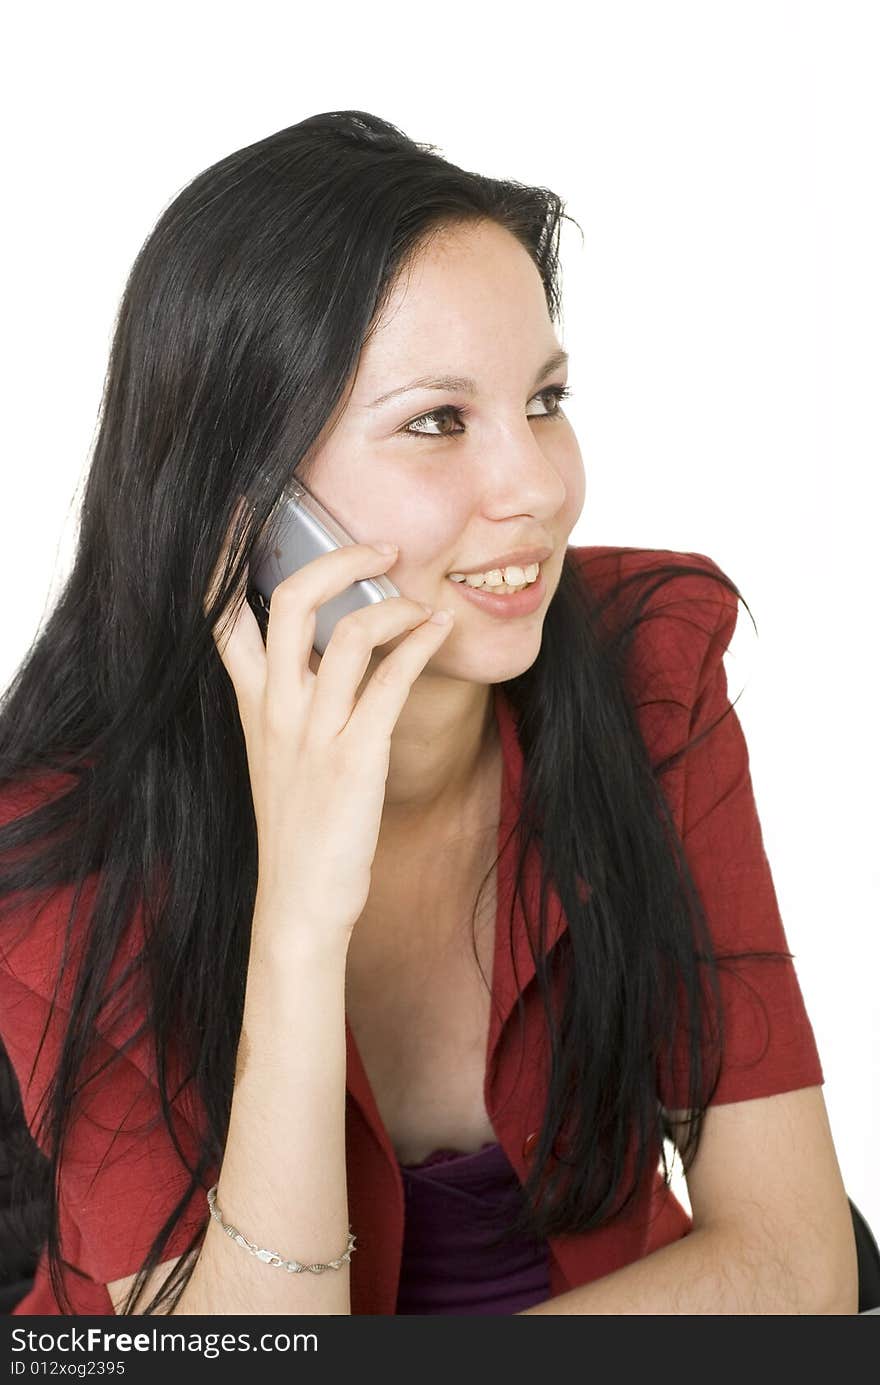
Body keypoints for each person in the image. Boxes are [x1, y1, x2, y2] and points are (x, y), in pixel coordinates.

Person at [0, 109, 857, 1317]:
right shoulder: (60, 842)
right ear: (251, 503)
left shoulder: (648, 664)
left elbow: (796, 1263)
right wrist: (301, 914)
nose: (538, 488)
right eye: (437, 421)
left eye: (545, 400)